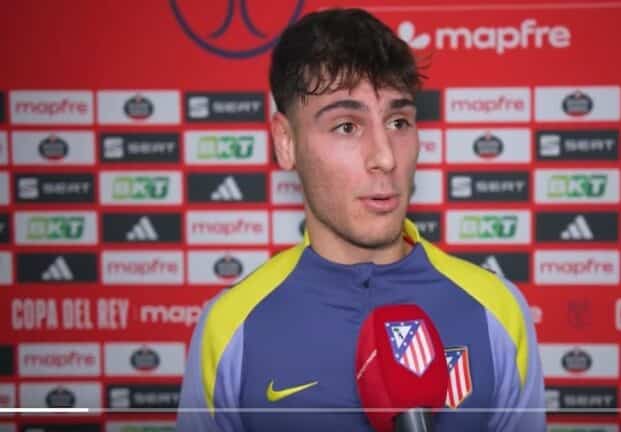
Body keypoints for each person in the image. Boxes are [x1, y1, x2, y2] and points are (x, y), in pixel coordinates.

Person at [177, 7, 545, 431]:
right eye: (347, 126)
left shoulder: (496, 310)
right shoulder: (229, 327)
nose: (385, 156)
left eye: (399, 121)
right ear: (285, 141)